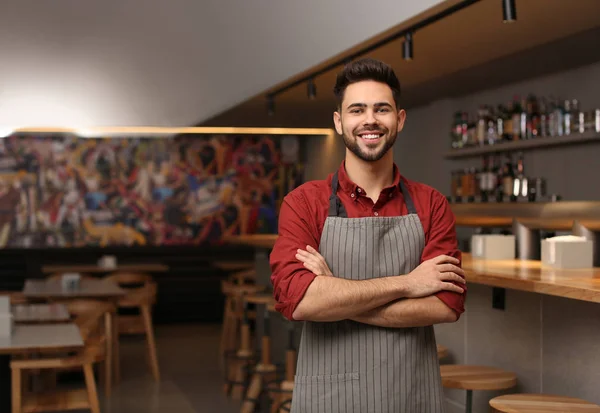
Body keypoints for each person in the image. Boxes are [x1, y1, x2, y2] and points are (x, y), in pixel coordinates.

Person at [269, 58, 467, 413]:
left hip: (411, 395)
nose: (370, 120)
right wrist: (407, 283)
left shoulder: (432, 204)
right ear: (339, 121)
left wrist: (335, 294)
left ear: (400, 120)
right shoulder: (303, 203)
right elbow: (299, 302)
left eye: (382, 109)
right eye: (357, 109)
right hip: (330, 398)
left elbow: (445, 306)